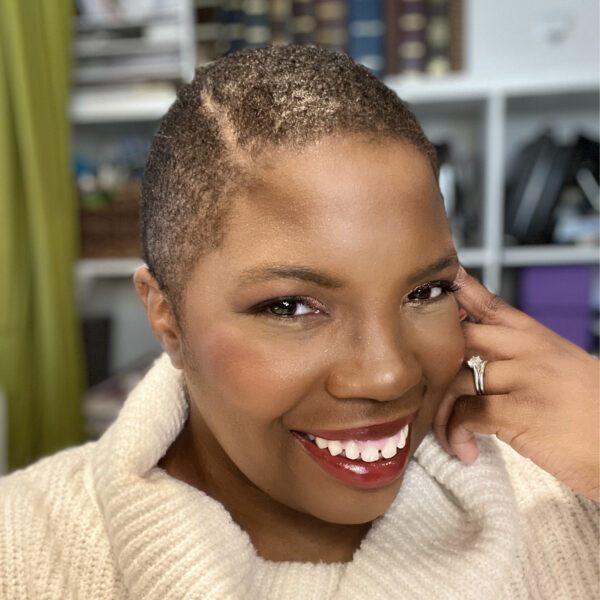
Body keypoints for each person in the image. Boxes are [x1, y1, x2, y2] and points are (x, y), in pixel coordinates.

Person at [0, 45, 598, 599]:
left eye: (427, 290)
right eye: (290, 306)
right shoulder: (23, 550)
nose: (388, 375)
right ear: (167, 318)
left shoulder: (570, 489)